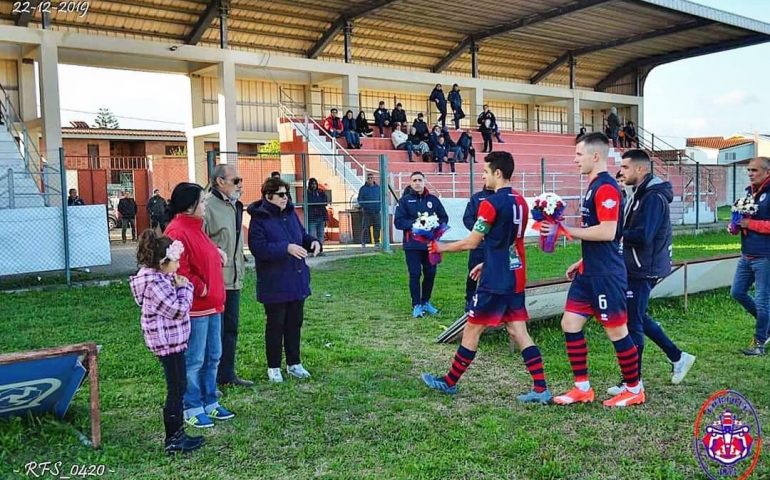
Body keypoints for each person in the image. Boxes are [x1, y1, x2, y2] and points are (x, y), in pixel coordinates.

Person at [421, 152, 552, 403]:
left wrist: (441, 247)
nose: (483, 176)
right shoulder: (521, 201)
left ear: (498, 174)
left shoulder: (490, 204)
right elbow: (511, 242)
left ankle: (449, 383)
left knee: (472, 329)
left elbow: (472, 241)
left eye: (485, 172)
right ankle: (540, 389)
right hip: (515, 274)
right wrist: (487, 261)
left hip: (496, 281)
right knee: (518, 331)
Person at [540, 132, 643, 407]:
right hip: (590, 272)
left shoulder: (607, 187)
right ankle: (582, 388)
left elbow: (608, 232)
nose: (575, 160)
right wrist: (584, 261)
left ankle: (634, 389)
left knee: (616, 331)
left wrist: (565, 230)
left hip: (607, 274)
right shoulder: (593, 185)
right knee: (570, 323)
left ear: (595, 156)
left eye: (578, 154)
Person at [614, 149, 696, 395]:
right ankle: (678, 357)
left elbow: (643, 236)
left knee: (633, 322)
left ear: (640, 169)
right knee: (636, 316)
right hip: (636, 265)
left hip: (643, 268)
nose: (621, 171)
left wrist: (613, 232)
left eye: (626, 167)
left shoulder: (652, 197)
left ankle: (633, 381)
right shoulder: (640, 193)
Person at [165, 182, 235, 428]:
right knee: (194, 359)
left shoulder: (197, 227)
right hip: (196, 308)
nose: (206, 205)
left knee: (213, 356)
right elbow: (178, 271)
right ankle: (191, 405)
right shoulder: (177, 231)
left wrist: (216, 253)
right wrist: (203, 288)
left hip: (214, 305)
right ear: (189, 206)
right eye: (202, 202)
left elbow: (201, 253)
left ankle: (210, 400)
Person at [129, 230, 204, 454]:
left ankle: (178, 433)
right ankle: (173, 439)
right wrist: (185, 288)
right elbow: (178, 310)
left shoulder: (160, 277)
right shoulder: (155, 284)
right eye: (176, 260)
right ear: (162, 262)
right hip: (167, 343)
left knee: (179, 386)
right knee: (177, 387)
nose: (179, 265)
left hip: (172, 341)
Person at [247, 178, 321, 382]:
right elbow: (258, 248)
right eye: (281, 194)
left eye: (286, 194)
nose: (285, 198)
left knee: (294, 323)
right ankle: (273, 367)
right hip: (274, 281)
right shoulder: (259, 219)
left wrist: (313, 241)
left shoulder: (291, 213)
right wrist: (285, 248)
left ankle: (294, 363)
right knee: (275, 325)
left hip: (296, 277)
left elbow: (302, 235)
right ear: (268, 195)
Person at [204, 165, 253, 389]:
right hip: (214, 280)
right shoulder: (206, 206)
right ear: (219, 182)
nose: (240, 184)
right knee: (213, 333)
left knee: (231, 328)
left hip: (234, 278)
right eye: (236, 180)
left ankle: (227, 373)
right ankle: (210, 379)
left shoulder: (235, 206)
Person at [730, 156, 770, 356]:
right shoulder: (748, 192)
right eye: (749, 170)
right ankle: (768, 327)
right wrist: (735, 225)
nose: (750, 174)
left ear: (767, 172)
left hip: (765, 256)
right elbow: (741, 219)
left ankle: (760, 343)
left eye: (754, 170)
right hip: (747, 254)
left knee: (763, 301)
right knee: (737, 292)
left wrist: (750, 224)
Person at [394, 172, 448, 318]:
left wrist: (435, 226)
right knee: (415, 274)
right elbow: (398, 222)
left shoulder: (433, 200)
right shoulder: (405, 201)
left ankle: (426, 302)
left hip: (430, 245)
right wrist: (416, 224)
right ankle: (416, 305)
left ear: (424, 181)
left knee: (430, 273)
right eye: (414, 180)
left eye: (419, 180)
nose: (417, 183)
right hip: (412, 245)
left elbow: (444, 218)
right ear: (411, 183)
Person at [462, 186, 493, 311]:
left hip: (494, 245)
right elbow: (467, 218)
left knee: (493, 273)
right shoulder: (476, 198)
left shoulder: (500, 198)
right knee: (473, 273)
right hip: (478, 244)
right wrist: (480, 232)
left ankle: (490, 301)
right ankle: (469, 300)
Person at [358, 172, 381, 247]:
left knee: (377, 227)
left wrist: (379, 207)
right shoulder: (363, 189)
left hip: (376, 211)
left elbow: (382, 198)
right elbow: (360, 199)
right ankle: (364, 242)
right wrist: (365, 206)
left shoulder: (378, 188)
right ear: (366, 179)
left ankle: (377, 242)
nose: (370, 179)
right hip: (367, 212)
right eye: (368, 178)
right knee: (365, 227)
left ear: (374, 178)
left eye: (371, 178)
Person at [306, 177, 328, 247]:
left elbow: (325, 202)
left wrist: (318, 202)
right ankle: (313, 249)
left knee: (321, 234)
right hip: (312, 218)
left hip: (321, 217)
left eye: (315, 184)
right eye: (312, 184)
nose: (314, 185)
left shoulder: (320, 192)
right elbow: (312, 202)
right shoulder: (307, 193)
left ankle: (320, 249)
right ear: (310, 185)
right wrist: (319, 202)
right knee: (312, 235)